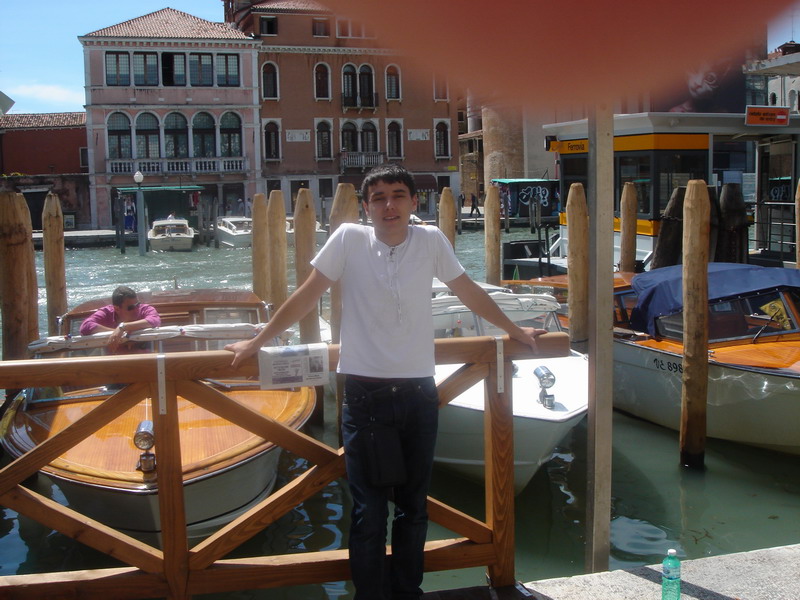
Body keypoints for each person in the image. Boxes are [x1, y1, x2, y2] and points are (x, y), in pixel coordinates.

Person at [225, 164, 543, 600]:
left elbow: (468, 290)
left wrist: (514, 330)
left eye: (397, 195)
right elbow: (307, 294)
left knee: (413, 508)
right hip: (364, 394)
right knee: (369, 513)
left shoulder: (431, 240)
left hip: (418, 393)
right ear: (366, 206)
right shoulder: (348, 239)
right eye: (378, 198)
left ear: (413, 201)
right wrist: (258, 341)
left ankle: (408, 592)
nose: (389, 205)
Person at [80, 286, 161, 353]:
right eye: (131, 307)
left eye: (137, 304)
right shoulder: (107, 312)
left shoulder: (145, 309)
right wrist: (118, 334)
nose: (137, 309)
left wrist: (122, 327)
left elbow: (155, 321)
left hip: (145, 360)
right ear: (116, 308)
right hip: (115, 362)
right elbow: (85, 326)